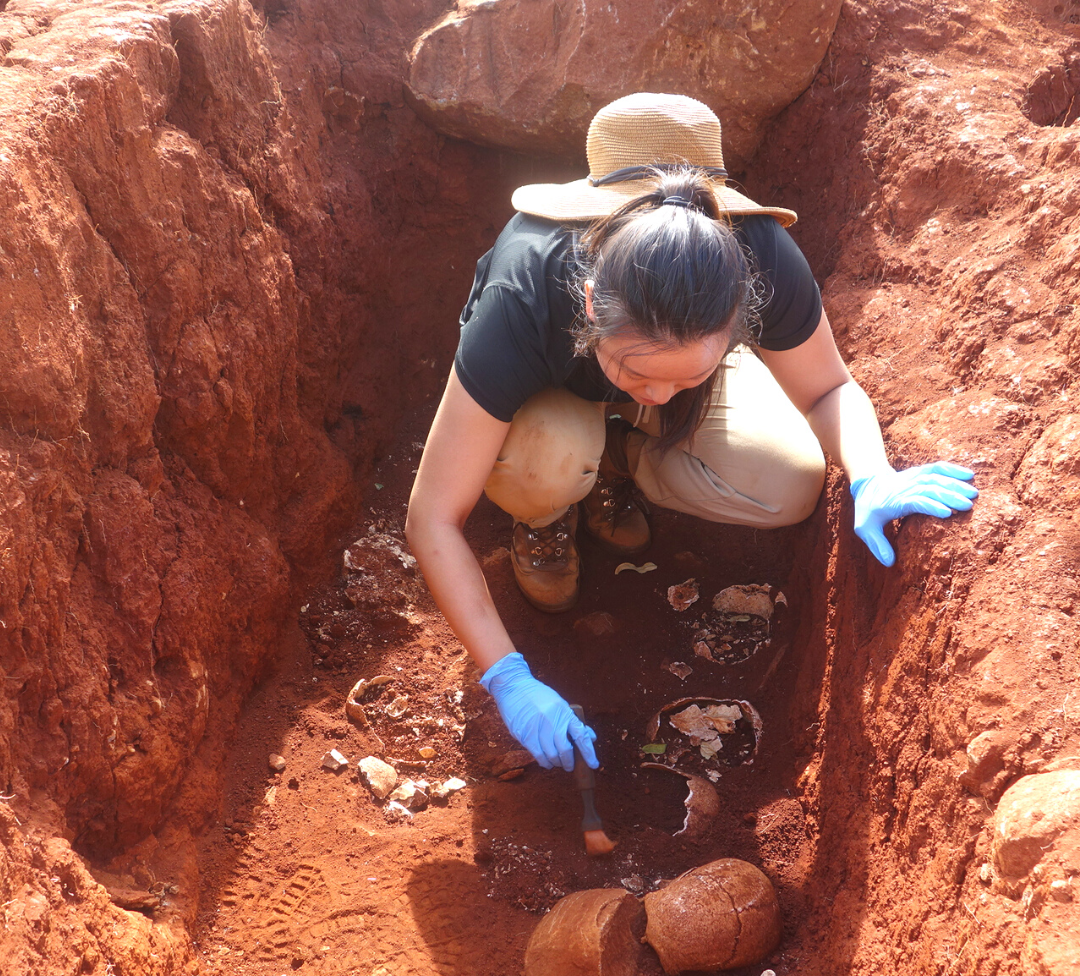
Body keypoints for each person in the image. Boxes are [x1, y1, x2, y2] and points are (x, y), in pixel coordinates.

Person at [405, 93, 977, 774]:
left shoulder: (758, 251)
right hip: (547, 412)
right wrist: (507, 675)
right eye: (635, 370)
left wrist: (871, 472)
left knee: (790, 485)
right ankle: (552, 508)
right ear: (590, 303)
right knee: (546, 458)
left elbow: (827, 388)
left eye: (683, 373)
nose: (654, 395)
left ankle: (616, 465)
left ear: (738, 311)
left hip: (659, 399)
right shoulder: (526, 287)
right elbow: (433, 516)